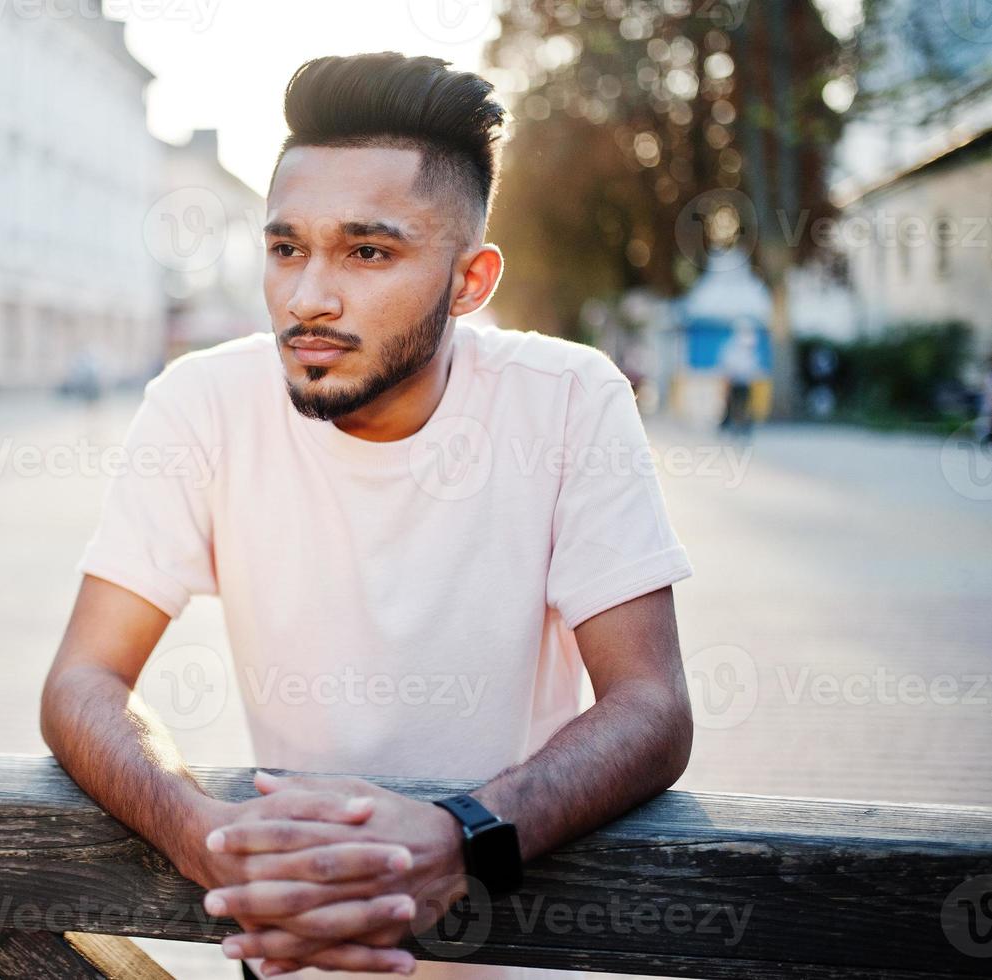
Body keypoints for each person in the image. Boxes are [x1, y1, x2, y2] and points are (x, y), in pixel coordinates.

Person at [40, 54, 694, 980]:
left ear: (470, 282)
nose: (308, 296)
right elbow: (83, 678)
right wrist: (198, 833)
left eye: (367, 251)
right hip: (292, 953)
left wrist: (460, 837)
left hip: (517, 953)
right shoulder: (203, 402)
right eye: (284, 248)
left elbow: (651, 705)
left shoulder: (566, 399)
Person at [718, 325, 761, 438]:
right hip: (734, 382)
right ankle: (727, 427)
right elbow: (728, 367)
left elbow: (752, 367)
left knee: (744, 406)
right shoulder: (732, 350)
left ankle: (743, 427)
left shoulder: (750, 352)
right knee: (732, 405)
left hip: (745, 383)